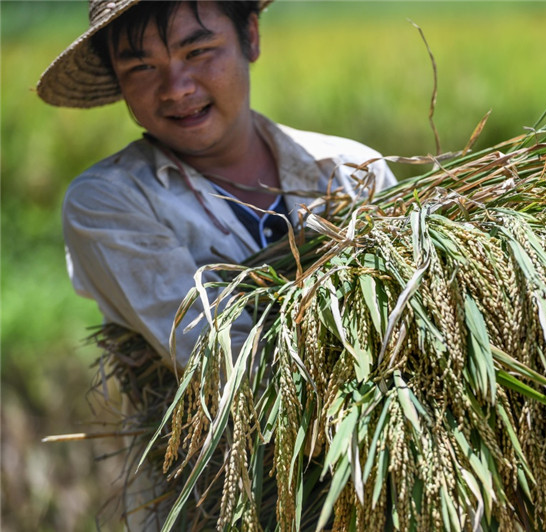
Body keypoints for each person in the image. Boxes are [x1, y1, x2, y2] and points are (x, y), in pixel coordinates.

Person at [37, 0, 396, 528]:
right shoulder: (110, 203)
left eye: (199, 51)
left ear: (250, 36)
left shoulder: (352, 172)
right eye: (142, 67)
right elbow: (230, 361)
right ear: (118, 80)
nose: (176, 88)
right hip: (219, 509)